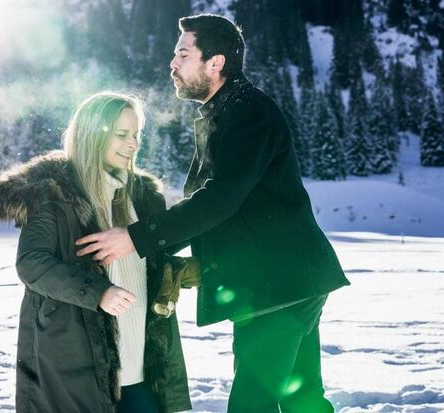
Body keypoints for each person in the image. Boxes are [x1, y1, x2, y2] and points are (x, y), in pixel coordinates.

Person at [75, 14, 351, 413]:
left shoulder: (247, 113)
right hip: (282, 283)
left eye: (183, 54)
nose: (173, 64)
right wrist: (175, 255)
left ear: (215, 63)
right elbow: (223, 207)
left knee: (252, 404)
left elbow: (221, 198)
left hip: (279, 286)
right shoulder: (224, 112)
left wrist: (135, 237)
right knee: (302, 399)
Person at [0, 92, 191, 413]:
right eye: (122, 135)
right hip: (80, 365)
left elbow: (146, 263)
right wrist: (98, 292)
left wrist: (181, 270)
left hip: (143, 364)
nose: (133, 143)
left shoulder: (144, 196)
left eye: (136, 135)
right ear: (93, 133)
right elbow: (32, 264)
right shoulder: (54, 193)